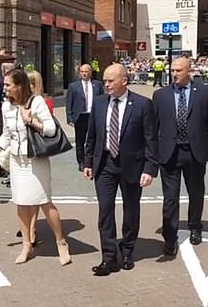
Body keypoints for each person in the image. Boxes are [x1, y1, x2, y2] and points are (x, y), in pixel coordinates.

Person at [0, 70, 71, 266]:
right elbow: (6, 135)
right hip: (16, 161)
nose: (4, 88)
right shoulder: (6, 106)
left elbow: (51, 129)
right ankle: (26, 245)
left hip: (35, 161)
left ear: (19, 86)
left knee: (45, 202)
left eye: (7, 85)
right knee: (21, 203)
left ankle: (61, 242)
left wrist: (30, 120)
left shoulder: (36, 102)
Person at [83, 64, 158, 276]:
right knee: (105, 211)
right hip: (104, 164)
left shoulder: (143, 105)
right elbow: (92, 136)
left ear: (124, 81)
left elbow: (150, 140)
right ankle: (109, 257)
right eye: (104, 81)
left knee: (131, 210)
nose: (105, 85)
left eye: (110, 81)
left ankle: (127, 251)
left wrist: (150, 169)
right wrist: (88, 163)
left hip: (132, 166)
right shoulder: (99, 103)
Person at [153, 57, 208, 255]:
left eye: (178, 70)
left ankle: (195, 226)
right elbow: (153, 127)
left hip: (195, 152)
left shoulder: (204, 93)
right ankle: (170, 236)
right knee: (170, 197)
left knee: (196, 193)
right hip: (169, 153)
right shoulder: (160, 95)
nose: (174, 74)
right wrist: (150, 156)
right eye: (172, 70)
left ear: (189, 71)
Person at [65, 64, 104, 171]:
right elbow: (69, 102)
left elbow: (103, 100)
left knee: (93, 140)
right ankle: (81, 162)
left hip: (93, 115)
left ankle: (92, 161)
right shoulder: (74, 86)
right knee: (80, 141)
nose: (84, 74)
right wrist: (70, 118)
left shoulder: (98, 85)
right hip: (80, 116)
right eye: (82, 72)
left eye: (86, 71)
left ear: (90, 72)